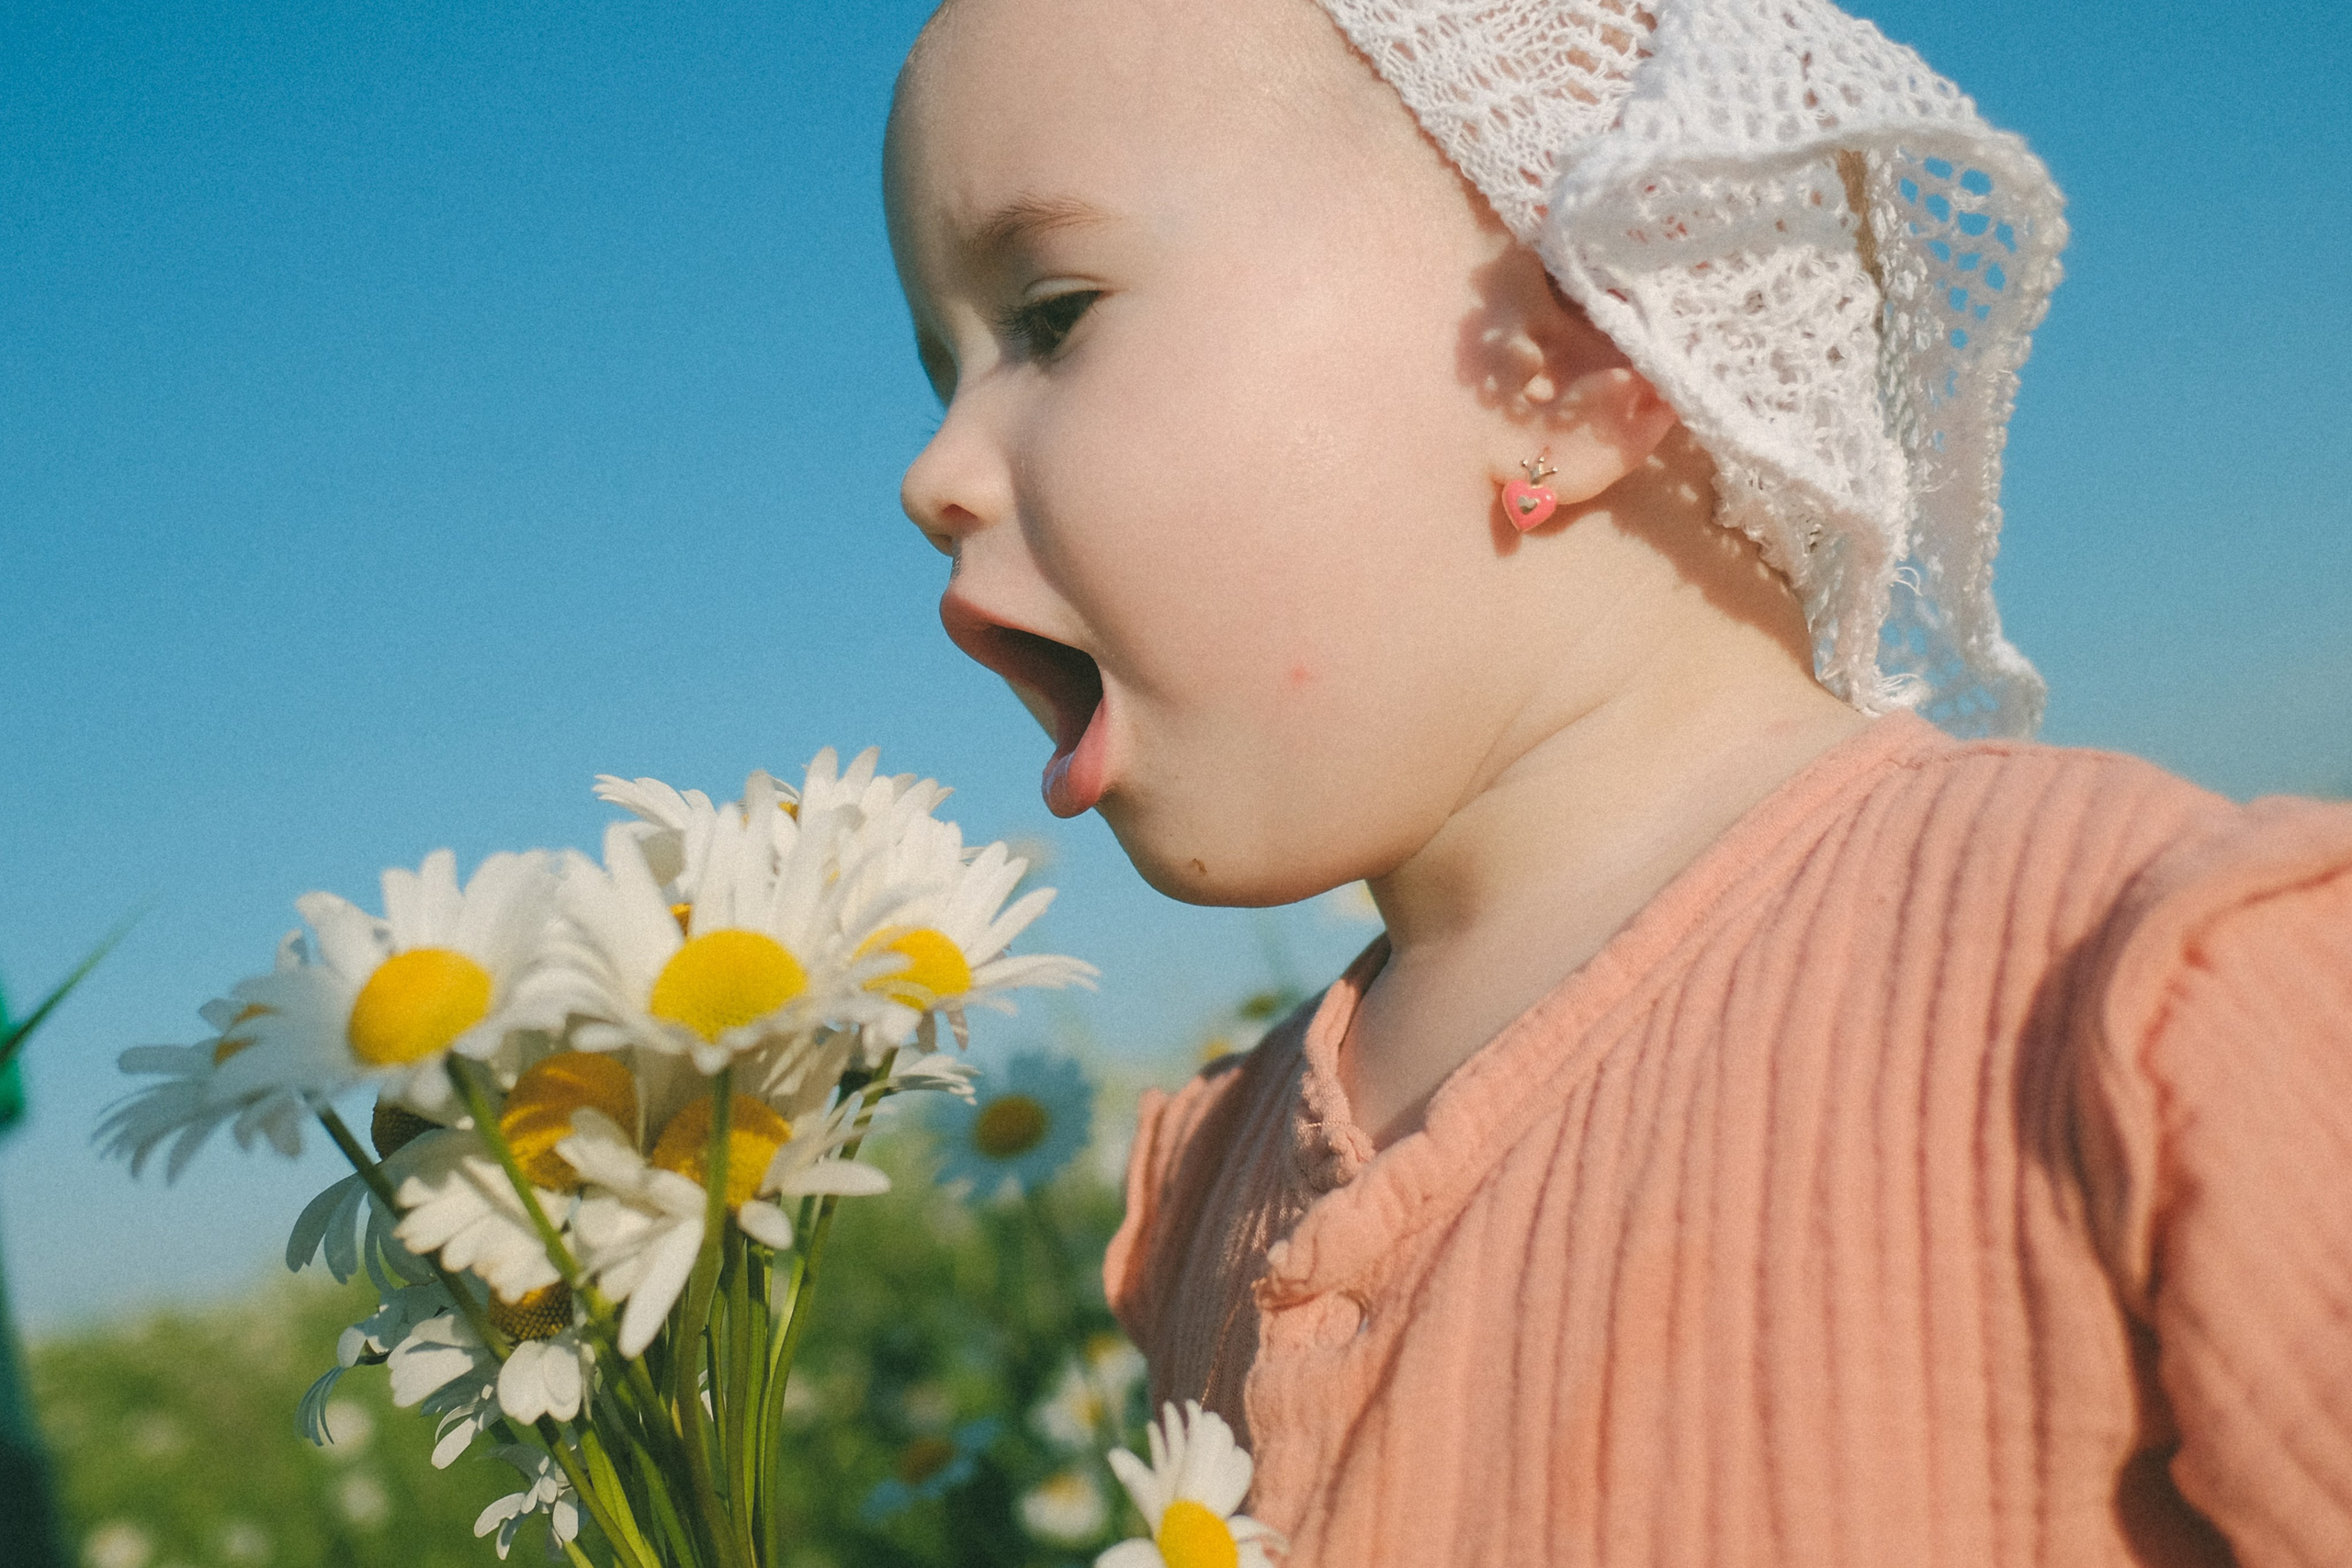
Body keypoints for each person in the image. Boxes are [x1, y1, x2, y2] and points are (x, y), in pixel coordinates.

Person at [882, 0, 2352, 1562]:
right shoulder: (1206, 1198)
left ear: (1565, 364)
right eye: (941, 376)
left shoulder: (2146, 995)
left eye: (1052, 314)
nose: (932, 474)